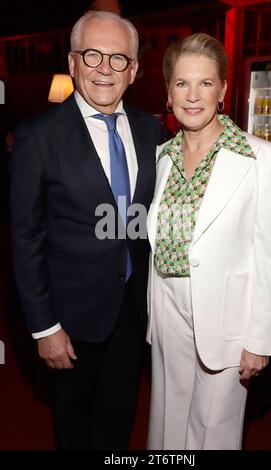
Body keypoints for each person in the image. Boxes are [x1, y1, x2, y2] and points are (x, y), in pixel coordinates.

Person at [10, 10, 162, 450]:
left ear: (133, 70)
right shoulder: (37, 136)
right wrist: (44, 329)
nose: (103, 68)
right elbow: (25, 239)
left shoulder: (150, 130)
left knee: (118, 425)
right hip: (70, 323)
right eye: (92, 55)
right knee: (74, 432)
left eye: (118, 59)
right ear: (72, 62)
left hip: (133, 315)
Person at [146, 33, 271, 450]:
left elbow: (270, 255)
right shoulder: (162, 158)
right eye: (182, 83)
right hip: (167, 307)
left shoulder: (260, 158)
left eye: (205, 83)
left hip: (226, 314)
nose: (193, 96)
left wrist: (259, 341)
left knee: (213, 430)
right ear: (168, 93)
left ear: (223, 89)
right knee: (167, 419)